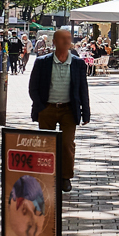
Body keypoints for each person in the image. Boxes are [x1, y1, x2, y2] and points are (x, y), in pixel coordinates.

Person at [27, 28, 91, 194]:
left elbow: (83, 89)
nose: (66, 42)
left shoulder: (77, 63)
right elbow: (33, 87)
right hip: (47, 108)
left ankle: (65, 177)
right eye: (62, 39)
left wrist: (86, 112)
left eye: (68, 39)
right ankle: (46, 176)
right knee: (46, 145)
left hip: (68, 110)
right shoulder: (42, 62)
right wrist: (41, 106)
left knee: (67, 144)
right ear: (54, 42)